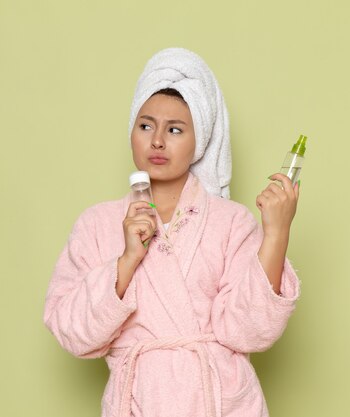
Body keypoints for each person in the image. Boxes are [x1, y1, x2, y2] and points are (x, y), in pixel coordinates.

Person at [43, 47, 301, 417]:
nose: (158, 141)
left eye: (175, 129)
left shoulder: (231, 222)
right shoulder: (96, 224)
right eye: (145, 125)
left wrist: (277, 234)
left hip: (220, 403)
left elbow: (249, 331)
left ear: (200, 141)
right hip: (137, 402)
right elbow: (71, 331)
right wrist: (127, 260)